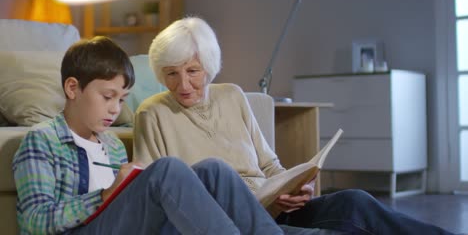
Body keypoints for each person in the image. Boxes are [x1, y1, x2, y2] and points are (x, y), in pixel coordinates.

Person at [133, 16, 455, 235]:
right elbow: (156, 195)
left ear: (209, 65)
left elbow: (270, 165)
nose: (183, 84)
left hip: (275, 207)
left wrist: (294, 187)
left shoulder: (232, 96)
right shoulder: (152, 114)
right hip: (232, 221)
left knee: (356, 201)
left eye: (192, 71)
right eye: (172, 73)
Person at [12, 36, 307, 235]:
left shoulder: (112, 145)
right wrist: (105, 195)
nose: (115, 109)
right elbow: (33, 220)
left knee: (214, 170)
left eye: (122, 99)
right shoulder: (43, 140)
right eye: (107, 97)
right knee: (167, 168)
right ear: (73, 88)